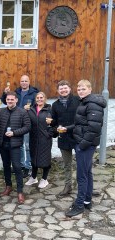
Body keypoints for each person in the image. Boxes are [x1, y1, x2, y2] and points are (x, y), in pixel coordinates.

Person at [65, 80, 106, 217]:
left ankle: (79, 205)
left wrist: (82, 145)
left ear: (89, 89)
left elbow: (93, 129)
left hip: (85, 145)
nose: (80, 91)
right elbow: (80, 124)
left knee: (81, 176)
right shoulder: (85, 102)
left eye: (83, 89)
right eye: (78, 88)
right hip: (84, 143)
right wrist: (67, 128)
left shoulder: (92, 104)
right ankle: (87, 201)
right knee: (87, 173)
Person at [0, 91, 30, 204]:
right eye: (8, 100)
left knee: (17, 167)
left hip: (15, 144)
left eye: (12, 99)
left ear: (16, 100)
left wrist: (14, 133)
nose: (10, 101)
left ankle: (20, 191)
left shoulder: (22, 112)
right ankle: (8, 187)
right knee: (6, 166)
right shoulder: (2, 111)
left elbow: (27, 127)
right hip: (3, 143)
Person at [1, 75, 39, 177]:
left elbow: (37, 107)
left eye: (26, 81)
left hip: (27, 122)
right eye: (22, 81)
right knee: (19, 145)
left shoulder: (34, 93)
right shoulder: (16, 92)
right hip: (16, 122)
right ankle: (21, 165)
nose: (24, 83)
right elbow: (6, 101)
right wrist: (5, 93)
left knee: (27, 146)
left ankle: (28, 167)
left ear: (29, 82)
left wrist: (30, 109)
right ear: (20, 82)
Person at [51, 80, 80, 197]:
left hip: (78, 137)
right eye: (61, 88)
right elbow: (54, 122)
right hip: (63, 138)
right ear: (58, 91)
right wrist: (55, 127)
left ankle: (86, 186)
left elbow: (81, 120)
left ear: (70, 89)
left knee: (82, 164)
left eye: (65, 88)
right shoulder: (55, 105)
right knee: (67, 164)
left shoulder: (78, 100)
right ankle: (68, 186)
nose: (63, 90)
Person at [25, 92, 55, 189]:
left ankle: (44, 179)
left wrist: (49, 133)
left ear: (45, 98)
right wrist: (25, 111)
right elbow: (26, 120)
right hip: (33, 137)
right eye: (37, 98)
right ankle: (33, 177)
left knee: (45, 158)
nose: (39, 99)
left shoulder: (49, 109)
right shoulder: (31, 109)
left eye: (41, 97)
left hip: (45, 138)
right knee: (34, 157)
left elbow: (55, 123)